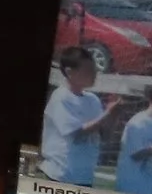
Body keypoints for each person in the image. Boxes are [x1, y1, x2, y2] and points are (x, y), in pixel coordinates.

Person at [39, 47, 127, 183]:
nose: (94, 74)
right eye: (88, 70)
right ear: (69, 72)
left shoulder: (92, 99)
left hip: (84, 176)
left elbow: (104, 135)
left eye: (94, 69)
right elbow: (76, 132)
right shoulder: (61, 97)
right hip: (60, 175)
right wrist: (107, 113)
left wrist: (113, 115)